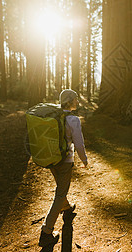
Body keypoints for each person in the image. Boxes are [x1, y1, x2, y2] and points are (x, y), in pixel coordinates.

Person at [39, 89, 88, 247]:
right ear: (70, 101)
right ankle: (46, 232)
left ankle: (67, 209)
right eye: (75, 99)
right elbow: (79, 144)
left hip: (52, 159)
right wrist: (84, 160)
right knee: (60, 194)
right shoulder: (73, 120)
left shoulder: (54, 116)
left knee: (61, 188)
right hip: (65, 161)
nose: (77, 102)